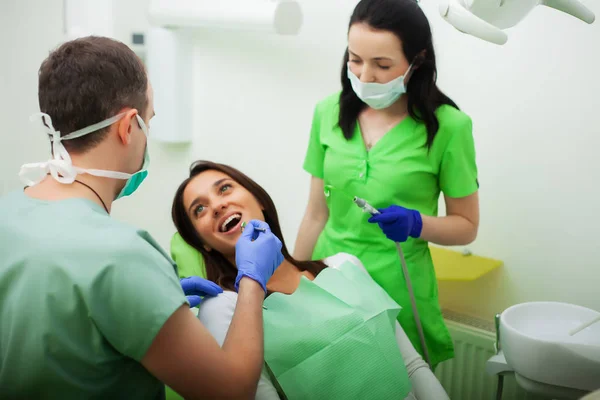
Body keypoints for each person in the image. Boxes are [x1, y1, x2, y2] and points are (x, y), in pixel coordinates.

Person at [0, 36, 284, 399]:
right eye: (150, 120)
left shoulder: (7, 214)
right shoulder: (122, 255)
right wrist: (252, 282)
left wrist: (150, 303)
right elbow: (231, 391)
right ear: (128, 126)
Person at [294, 0, 480, 369]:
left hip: (398, 290)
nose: (364, 76)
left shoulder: (450, 128)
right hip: (331, 284)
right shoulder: (327, 113)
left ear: (416, 61)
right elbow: (316, 214)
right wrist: (295, 280)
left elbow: (467, 227)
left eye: (382, 65)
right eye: (355, 59)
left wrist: (417, 223)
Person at [171, 160, 450, 399]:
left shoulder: (345, 266)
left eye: (224, 189)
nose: (217, 205)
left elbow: (412, 366)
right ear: (203, 243)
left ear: (259, 200)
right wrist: (251, 281)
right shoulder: (224, 307)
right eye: (200, 209)